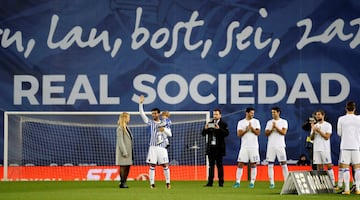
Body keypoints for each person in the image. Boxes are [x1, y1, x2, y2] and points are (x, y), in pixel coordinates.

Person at [138, 95, 172, 189]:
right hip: (152, 147)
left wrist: (163, 130)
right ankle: (152, 184)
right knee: (152, 165)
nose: (153, 115)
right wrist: (140, 104)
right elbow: (142, 115)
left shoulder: (164, 123)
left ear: (159, 114)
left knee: (165, 165)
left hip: (162, 147)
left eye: (155, 113)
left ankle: (168, 182)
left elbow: (170, 134)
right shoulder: (150, 122)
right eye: (152, 113)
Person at [232, 107, 261, 189]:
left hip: (254, 146)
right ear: (247, 113)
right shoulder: (241, 122)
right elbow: (239, 134)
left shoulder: (256, 121)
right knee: (240, 163)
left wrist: (251, 129)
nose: (252, 114)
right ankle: (237, 182)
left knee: (253, 164)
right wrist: (246, 130)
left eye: (253, 113)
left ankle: (252, 182)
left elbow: (258, 132)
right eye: (251, 113)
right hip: (244, 146)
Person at [201, 108, 229, 187]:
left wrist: (219, 129)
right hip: (211, 148)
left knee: (219, 165)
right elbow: (203, 134)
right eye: (214, 114)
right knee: (211, 166)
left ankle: (221, 183)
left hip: (219, 148)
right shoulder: (210, 123)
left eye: (216, 114)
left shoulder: (223, 124)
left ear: (220, 115)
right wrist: (205, 128)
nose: (215, 116)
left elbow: (226, 134)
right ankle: (210, 183)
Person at [337, 101, 360, 195]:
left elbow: (339, 133)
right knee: (357, 168)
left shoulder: (341, 119)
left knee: (345, 168)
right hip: (356, 146)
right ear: (354, 109)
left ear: (346, 108)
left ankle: (346, 189)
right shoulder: (359, 119)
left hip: (345, 146)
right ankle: (358, 188)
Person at [309, 109, 336, 187]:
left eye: (319, 114)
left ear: (323, 115)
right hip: (316, 148)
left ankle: (333, 183)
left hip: (325, 148)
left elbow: (327, 137)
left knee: (328, 165)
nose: (317, 116)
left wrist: (319, 131)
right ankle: (322, 183)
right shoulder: (315, 126)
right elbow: (311, 138)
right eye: (316, 115)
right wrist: (314, 131)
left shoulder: (328, 125)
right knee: (319, 167)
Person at [265, 106, 289, 189]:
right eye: (272, 112)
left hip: (280, 145)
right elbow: (266, 133)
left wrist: (276, 127)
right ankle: (272, 183)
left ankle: (286, 181)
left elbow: (283, 132)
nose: (273, 114)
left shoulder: (284, 122)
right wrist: (272, 128)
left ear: (278, 112)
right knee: (270, 164)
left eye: (274, 112)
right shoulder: (269, 122)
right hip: (271, 145)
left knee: (283, 163)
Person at [116, 112, 134, 188]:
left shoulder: (126, 127)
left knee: (127, 166)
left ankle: (124, 182)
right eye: (128, 117)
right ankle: (122, 182)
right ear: (125, 118)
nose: (129, 119)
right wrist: (124, 152)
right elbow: (120, 141)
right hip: (123, 152)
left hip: (129, 151)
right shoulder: (120, 128)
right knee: (123, 166)